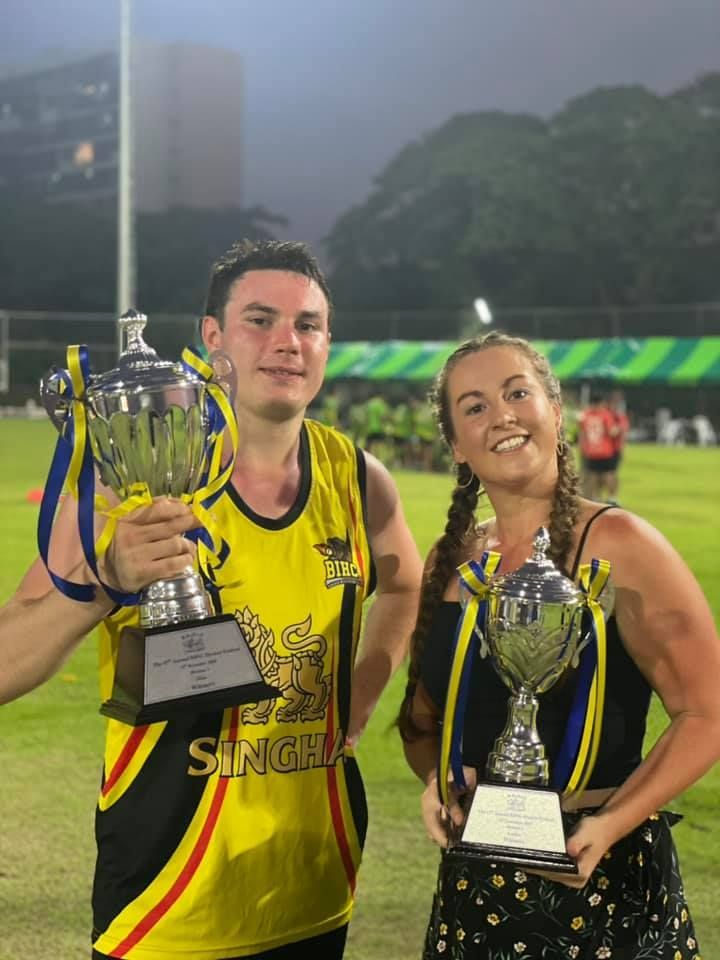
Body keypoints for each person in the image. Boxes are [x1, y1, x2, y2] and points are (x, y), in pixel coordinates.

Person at [3, 239, 423, 960]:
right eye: (260, 320)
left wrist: (363, 688)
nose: (288, 343)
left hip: (315, 889)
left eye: (309, 325)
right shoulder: (127, 474)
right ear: (213, 337)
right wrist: (106, 581)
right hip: (168, 908)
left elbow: (405, 581)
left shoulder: (356, 475)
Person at [397, 331, 720, 960]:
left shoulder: (623, 544)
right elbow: (426, 719)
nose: (503, 416)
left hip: (604, 880)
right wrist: (438, 783)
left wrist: (608, 826)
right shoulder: (452, 561)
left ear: (555, 410)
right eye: (475, 406)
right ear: (457, 448)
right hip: (477, 886)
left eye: (518, 392)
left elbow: (706, 713)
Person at [577, 392, 616, 501]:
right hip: (605, 451)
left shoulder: (585, 415)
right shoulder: (605, 415)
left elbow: (582, 433)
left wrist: (583, 448)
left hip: (591, 451)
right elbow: (612, 432)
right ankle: (612, 498)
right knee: (608, 474)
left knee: (593, 475)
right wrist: (618, 430)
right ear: (601, 403)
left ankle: (595, 497)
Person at [606, 389, 630, 501]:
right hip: (604, 449)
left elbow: (620, 431)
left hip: (613, 449)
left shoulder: (618, 416)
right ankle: (609, 496)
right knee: (602, 475)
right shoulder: (608, 414)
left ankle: (613, 496)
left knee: (611, 473)